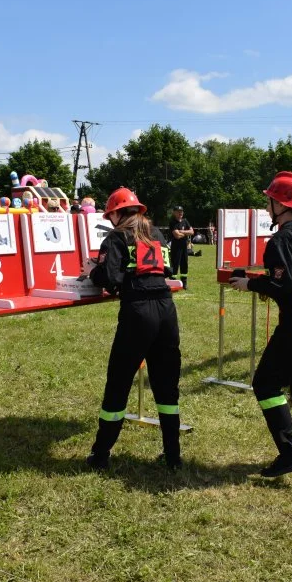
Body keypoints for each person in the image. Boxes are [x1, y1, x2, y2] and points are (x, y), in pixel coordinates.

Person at [228, 172, 292, 477]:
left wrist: (251, 286)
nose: (266, 207)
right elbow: (291, 278)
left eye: (269, 201)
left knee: (266, 383)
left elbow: (284, 286)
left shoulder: (281, 239)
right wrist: (258, 281)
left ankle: (289, 453)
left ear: (280, 205)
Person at [86, 187, 183, 470]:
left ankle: (101, 454)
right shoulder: (157, 234)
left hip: (137, 312)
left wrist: (92, 269)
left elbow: (109, 278)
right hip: (166, 310)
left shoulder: (115, 237)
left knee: (118, 382)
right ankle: (173, 456)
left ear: (116, 213)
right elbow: (165, 271)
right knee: (167, 386)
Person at [168, 206, 193, 289]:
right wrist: (186, 233)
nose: (180, 213)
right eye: (178, 211)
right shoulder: (173, 222)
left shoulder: (185, 221)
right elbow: (177, 236)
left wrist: (182, 231)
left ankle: (184, 283)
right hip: (176, 247)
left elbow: (192, 232)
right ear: (174, 212)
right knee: (175, 264)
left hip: (184, 246)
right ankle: (172, 281)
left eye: (181, 211)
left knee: (184, 264)